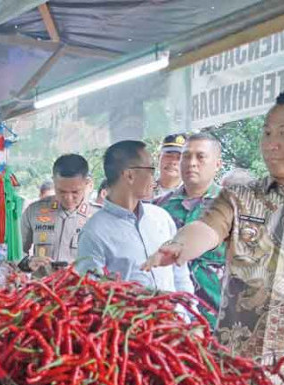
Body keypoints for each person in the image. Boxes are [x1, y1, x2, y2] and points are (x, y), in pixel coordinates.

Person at [143, 91, 284, 359]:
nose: (272, 144)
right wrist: (179, 245)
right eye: (267, 134)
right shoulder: (241, 197)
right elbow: (207, 228)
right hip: (238, 352)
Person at [76, 140, 194, 295]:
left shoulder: (161, 218)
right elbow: (92, 293)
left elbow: (180, 276)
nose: (154, 179)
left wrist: (189, 312)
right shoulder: (94, 233)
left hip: (177, 317)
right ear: (130, 175)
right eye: (151, 170)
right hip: (134, 318)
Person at [154, 133, 227, 326]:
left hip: (218, 321)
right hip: (170, 321)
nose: (191, 163)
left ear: (218, 164)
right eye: (186, 156)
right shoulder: (158, 208)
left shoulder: (233, 207)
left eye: (200, 157)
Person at [20, 154, 97, 274]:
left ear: (87, 183)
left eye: (75, 192)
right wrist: (28, 262)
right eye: (61, 191)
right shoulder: (34, 211)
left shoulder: (98, 218)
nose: (68, 198)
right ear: (54, 181)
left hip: (81, 290)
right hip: (40, 289)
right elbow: (16, 253)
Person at [152, 133, 186, 198]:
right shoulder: (142, 190)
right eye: (168, 156)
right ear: (159, 157)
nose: (172, 162)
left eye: (179, 158)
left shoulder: (192, 197)